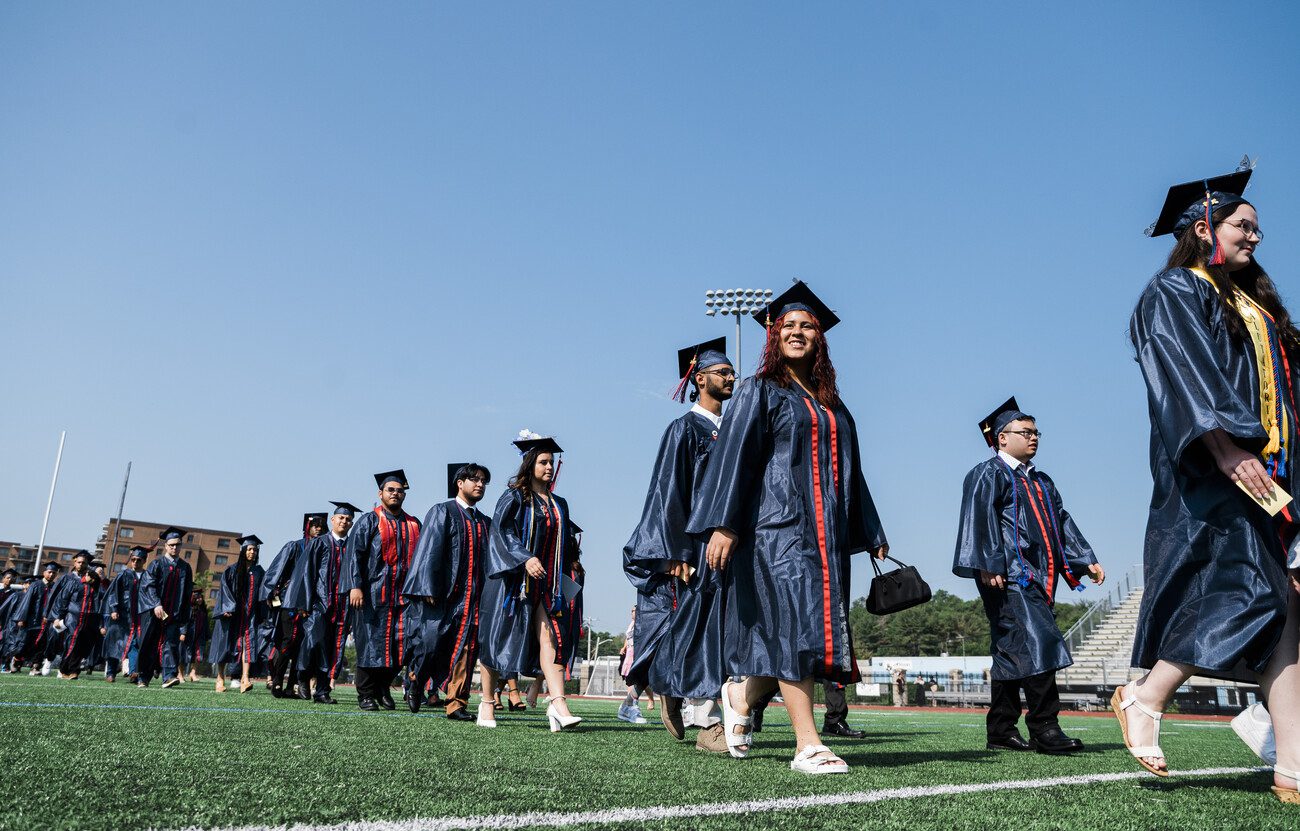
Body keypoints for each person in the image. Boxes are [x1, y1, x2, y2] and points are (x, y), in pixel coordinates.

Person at [1125, 165, 1300, 803]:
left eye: (1257, 228)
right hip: (1219, 470)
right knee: (1250, 590)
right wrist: (1226, 449)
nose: (1255, 237)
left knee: (1285, 612)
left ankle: (1290, 760)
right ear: (1205, 227)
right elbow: (1185, 375)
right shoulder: (1176, 290)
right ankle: (1148, 694)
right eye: (1242, 226)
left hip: (1274, 473)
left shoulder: (1253, 304)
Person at [685, 281, 889, 774]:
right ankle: (808, 744)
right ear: (774, 337)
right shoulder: (759, 390)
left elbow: (851, 470)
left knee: (812, 635)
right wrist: (724, 524)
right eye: (788, 326)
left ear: (820, 339)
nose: (798, 332)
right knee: (799, 629)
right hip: (777, 531)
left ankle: (740, 693)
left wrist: (871, 529)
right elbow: (735, 459)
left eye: (808, 326)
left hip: (828, 535)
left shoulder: (833, 404)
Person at [953, 398, 1105, 754]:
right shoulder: (988, 473)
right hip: (1009, 575)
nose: (1034, 437)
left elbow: (1061, 521)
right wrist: (988, 563)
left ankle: (1001, 730)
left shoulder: (1040, 481)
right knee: (1039, 641)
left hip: (1038, 575)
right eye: (1026, 432)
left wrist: (1084, 560)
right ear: (1002, 438)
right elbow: (978, 518)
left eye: (1036, 432)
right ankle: (1044, 727)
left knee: (1011, 651)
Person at [624, 338, 736, 751]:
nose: (731, 377)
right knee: (703, 632)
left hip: (736, 547)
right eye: (722, 372)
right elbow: (666, 494)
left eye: (731, 372)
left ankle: (675, 688)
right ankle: (707, 722)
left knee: (728, 633)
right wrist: (673, 553)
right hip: (698, 549)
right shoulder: (684, 430)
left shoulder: (735, 429)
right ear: (699, 377)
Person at [483, 433, 585, 732]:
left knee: (549, 638)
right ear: (530, 465)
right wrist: (524, 558)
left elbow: (562, 544)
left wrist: (567, 578)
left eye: (551, 462)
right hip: (512, 583)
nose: (549, 467)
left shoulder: (559, 504)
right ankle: (487, 702)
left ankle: (558, 704)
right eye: (543, 461)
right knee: (496, 641)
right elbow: (502, 534)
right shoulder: (513, 497)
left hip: (545, 584)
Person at [403, 463, 492, 721]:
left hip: (473, 599)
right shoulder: (443, 511)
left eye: (484, 481)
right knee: (431, 644)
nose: (480, 485)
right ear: (459, 483)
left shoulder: (485, 522)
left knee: (467, 649)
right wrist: (427, 586)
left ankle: (456, 703)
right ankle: (416, 679)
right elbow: (429, 549)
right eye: (474, 479)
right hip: (443, 596)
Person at [342, 470, 422, 712]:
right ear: (381, 493)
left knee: (402, 646)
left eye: (400, 491)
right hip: (373, 595)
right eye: (391, 490)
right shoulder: (369, 520)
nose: (396, 494)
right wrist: (355, 586)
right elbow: (355, 554)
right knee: (371, 645)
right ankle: (365, 694)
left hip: (404, 597)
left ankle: (382, 687)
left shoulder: (414, 523)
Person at [295, 503, 357, 703]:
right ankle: (303, 678)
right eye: (340, 518)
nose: (344, 521)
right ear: (333, 520)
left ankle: (322, 691)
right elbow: (306, 574)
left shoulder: (353, 547)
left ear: (351, 523)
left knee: (333, 649)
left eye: (348, 519)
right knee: (313, 643)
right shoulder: (319, 543)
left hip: (343, 607)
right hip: (319, 605)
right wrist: (304, 603)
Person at [262, 512, 325, 697]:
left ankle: (292, 686)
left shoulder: (325, 547)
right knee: (288, 640)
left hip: (313, 603)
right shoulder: (295, 546)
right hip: (290, 601)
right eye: (315, 525)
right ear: (307, 527)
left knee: (303, 645)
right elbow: (277, 570)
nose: (319, 528)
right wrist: (272, 592)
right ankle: (277, 680)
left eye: (321, 525)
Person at [134, 527, 195, 688]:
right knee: (149, 643)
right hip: (155, 612)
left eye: (178, 545)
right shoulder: (156, 564)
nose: (175, 548)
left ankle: (168, 676)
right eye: (172, 545)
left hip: (173, 613)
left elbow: (187, 592)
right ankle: (143, 677)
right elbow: (148, 586)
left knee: (171, 643)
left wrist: (183, 613)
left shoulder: (185, 567)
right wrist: (156, 604)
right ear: (166, 546)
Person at [210, 535, 266, 693]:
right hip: (231, 615)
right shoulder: (232, 570)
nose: (252, 552)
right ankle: (220, 679)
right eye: (249, 549)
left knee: (248, 645)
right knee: (225, 646)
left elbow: (264, 591)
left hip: (250, 615)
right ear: (243, 551)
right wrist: (226, 608)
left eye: (255, 550)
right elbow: (224, 590)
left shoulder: (259, 571)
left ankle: (245, 679)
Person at [48, 551, 102, 680]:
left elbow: (99, 597)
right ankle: (66, 669)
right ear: (74, 562)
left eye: (84, 563)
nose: (81, 564)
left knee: (82, 644)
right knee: (71, 642)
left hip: (88, 619)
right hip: (72, 617)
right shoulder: (69, 579)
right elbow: (61, 599)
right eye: (79, 562)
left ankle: (73, 670)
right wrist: (57, 617)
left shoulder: (93, 581)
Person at [102, 548, 147, 682]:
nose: (135, 562)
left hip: (138, 616)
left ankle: (134, 672)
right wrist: (114, 609)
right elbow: (113, 592)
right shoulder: (124, 574)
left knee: (135, 644)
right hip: (121, 615)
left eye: (138, 560)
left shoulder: (147, 576)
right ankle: (111, 673)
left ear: (144, 561)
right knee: (116, 643)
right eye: (133, 560)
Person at [11, 562, 61, 675]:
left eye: (54, 572)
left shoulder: (56, 587)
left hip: (46, 621)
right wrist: (22, 618)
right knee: (25, 643)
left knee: (42, 644)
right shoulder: (36, 585)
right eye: (49, 572)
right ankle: (16, 662)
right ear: (44, 573)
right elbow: (26, 602)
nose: (51, 574)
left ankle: (35, 667)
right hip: (32, 620)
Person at [182, 588, 210, 682]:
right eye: (197, 598)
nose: (200, 599)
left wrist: (207, 635)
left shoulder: (203, 610)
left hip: (199, 636)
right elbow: (184, 622)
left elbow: (206, 624)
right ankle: (180, 674)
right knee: (184, 655)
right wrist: (183, 632)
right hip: (188, 635)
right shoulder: (188, 609)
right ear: (193, 598)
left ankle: (193, 673)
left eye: (201, 598)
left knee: (198, 656)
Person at [0, 569, 19, 670]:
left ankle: (4, 663)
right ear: (3, 579)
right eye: (7, 578)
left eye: (12, 578)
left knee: (5, 643)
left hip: (8, 622)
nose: (10, 579)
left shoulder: (15, 594)